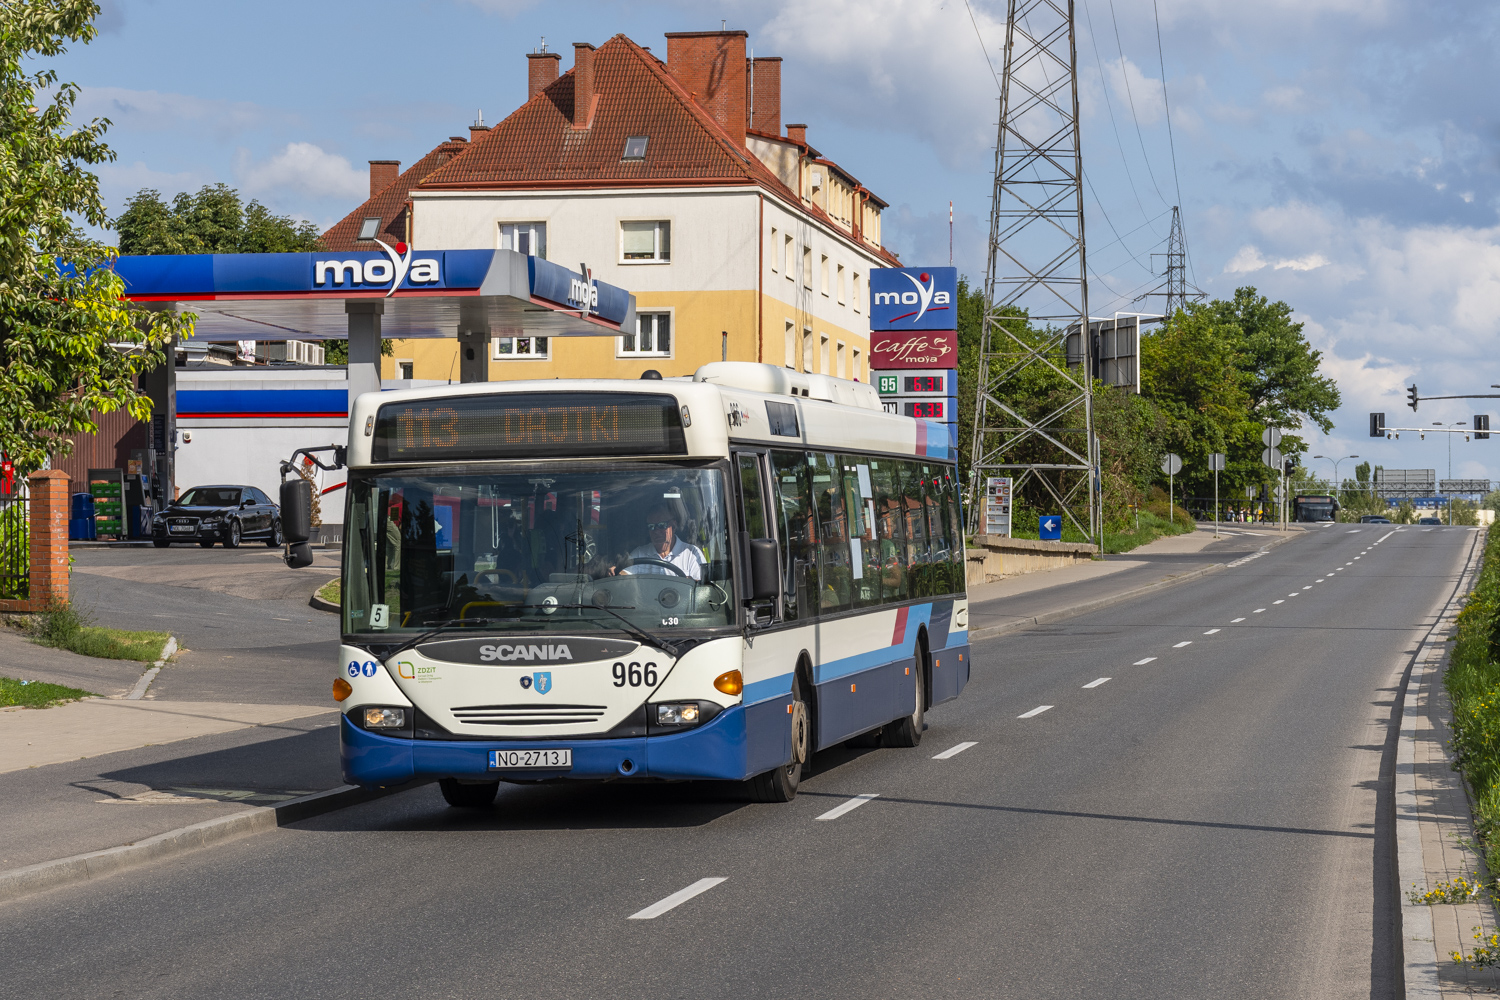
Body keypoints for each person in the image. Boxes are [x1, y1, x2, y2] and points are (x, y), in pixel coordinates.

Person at [610, 504, 706, 581]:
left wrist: (690, 581)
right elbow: (625, 575)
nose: (656, 531)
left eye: (661, 525)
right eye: (651, 526)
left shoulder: (691, 554)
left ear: (674, 525)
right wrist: (616, 572)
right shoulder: (640, 553)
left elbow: (700, 587)